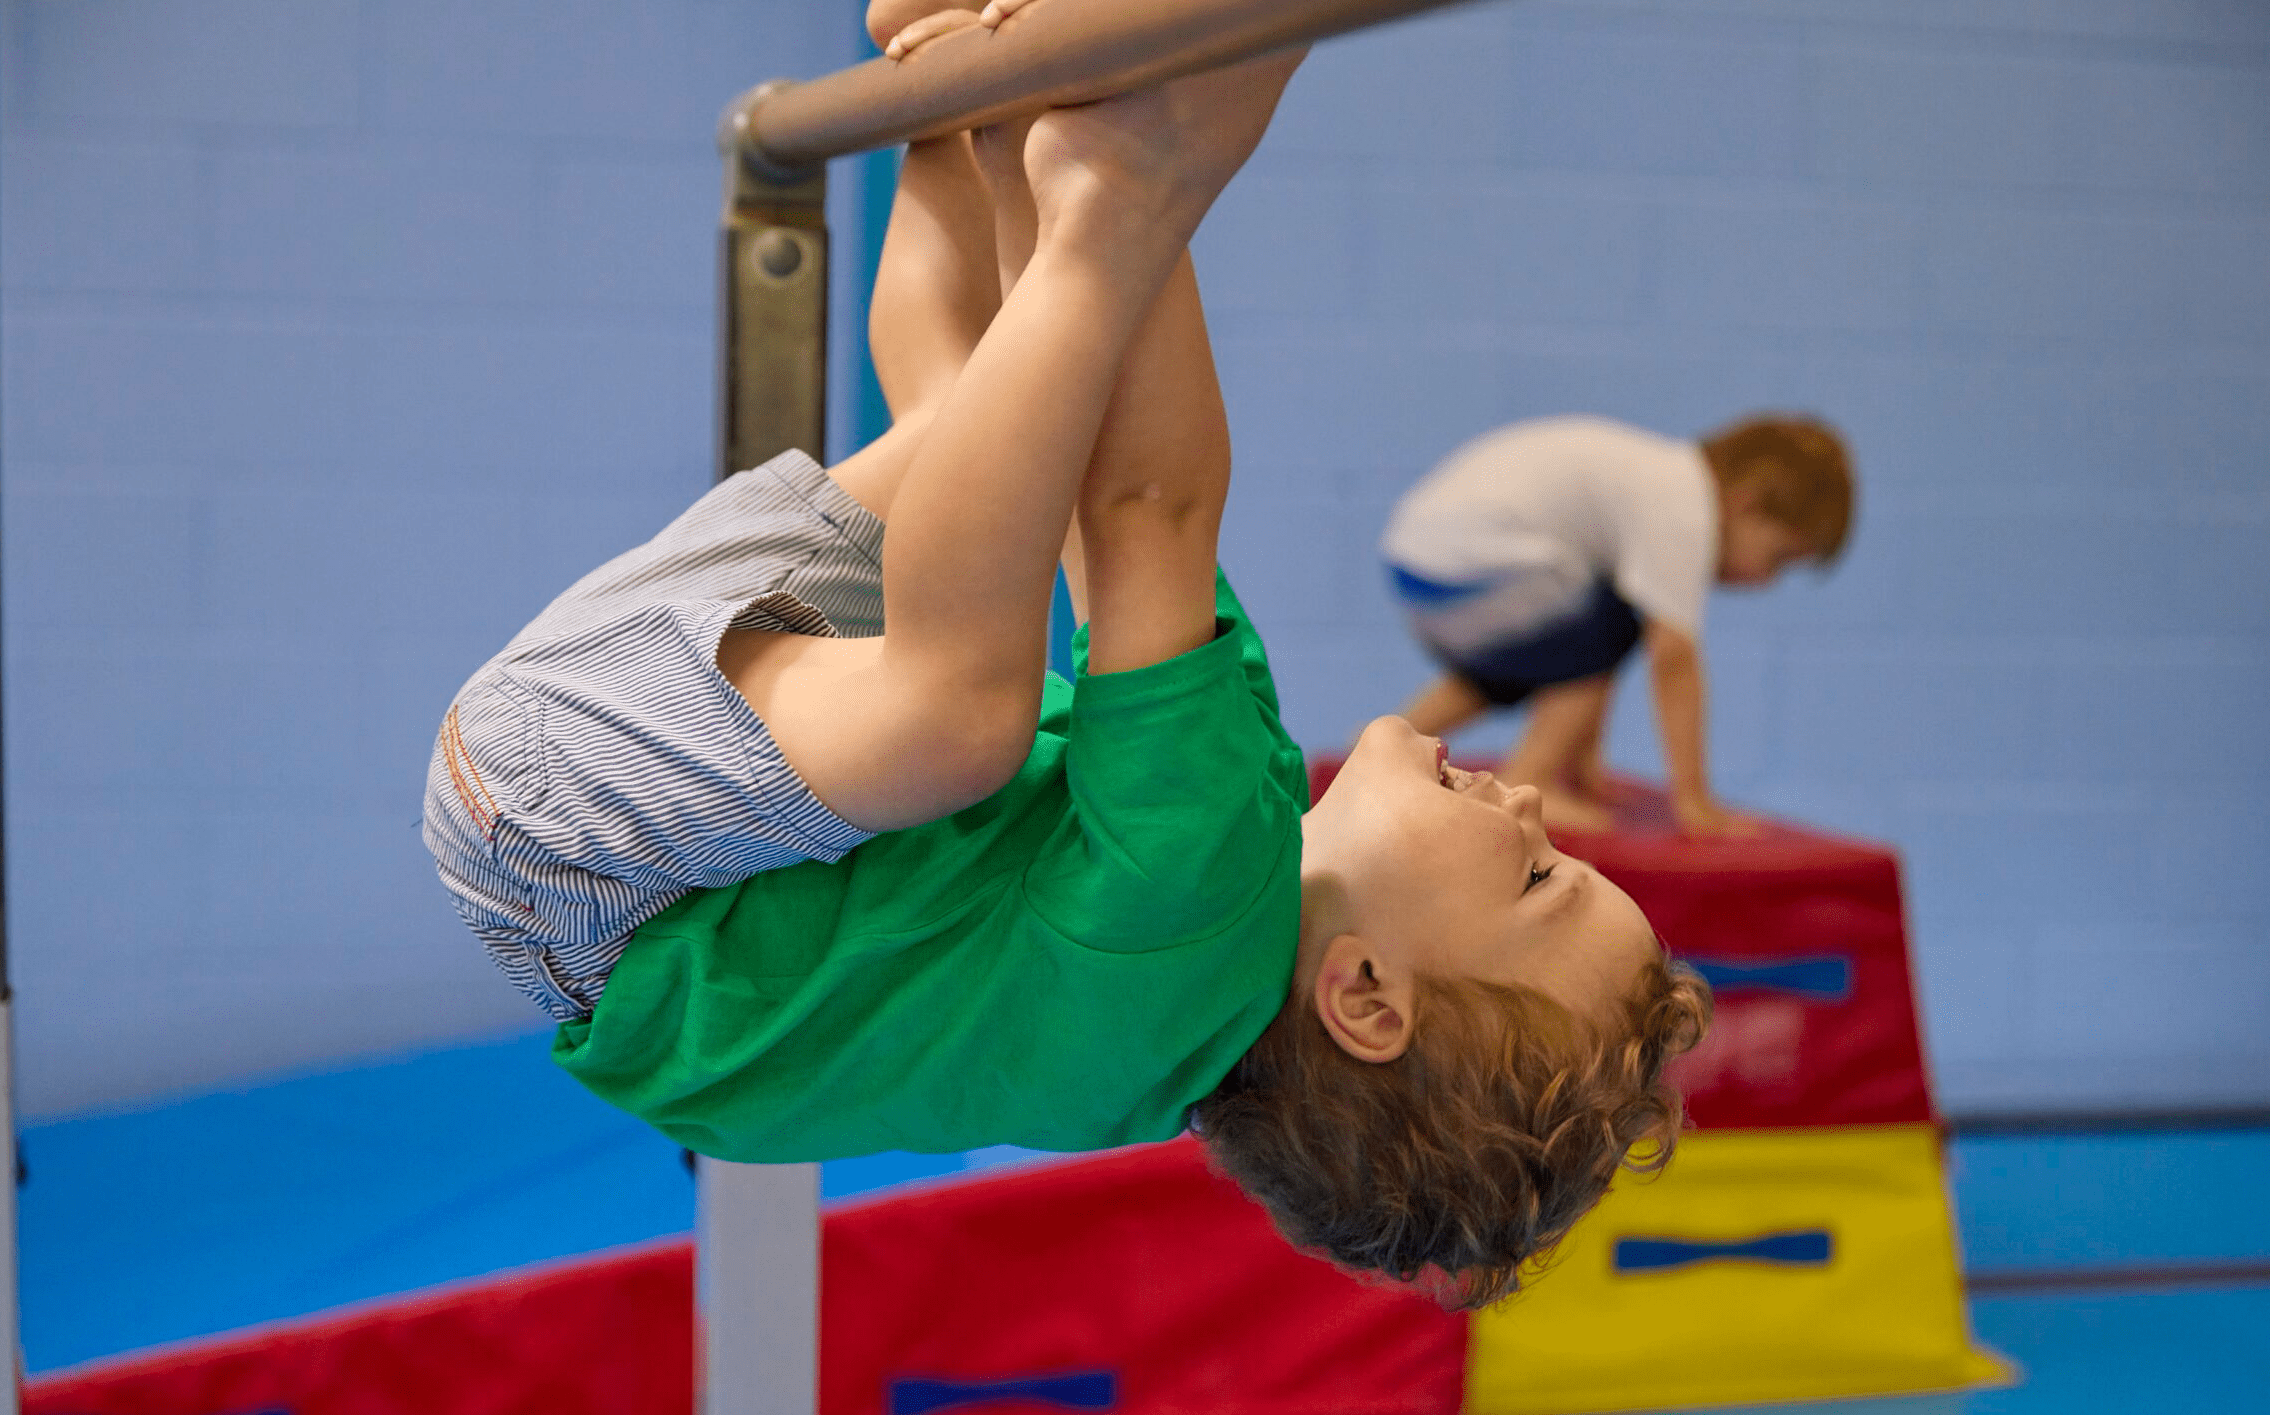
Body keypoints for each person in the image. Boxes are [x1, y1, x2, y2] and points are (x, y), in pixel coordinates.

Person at [425, 11, 1708, 1307]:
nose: (1536, 805)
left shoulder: (1201, 908)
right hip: (635, 858)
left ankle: (1068, 163)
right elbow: (1107, 486)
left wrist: (1135, 193)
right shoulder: (1164, 1036)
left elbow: (1148, 508)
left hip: (585, 848)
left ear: (1367, 995)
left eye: (1541, 876)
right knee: (979, 424)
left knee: (961, 713)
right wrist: (1021, 143)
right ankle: (952, 101)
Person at [1382, 413, 1855, 835]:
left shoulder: (1659, 476)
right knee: (1610, 627)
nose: (1766, 581)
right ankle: (1531, 776)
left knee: (1534, 657)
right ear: (1745, 505)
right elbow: (1673, 661)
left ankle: (1386, 743)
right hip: (1468, 561)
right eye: (1777, 559)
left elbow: (1573, 666)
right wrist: (1694, 800)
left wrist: (1588, 770)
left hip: (1420, 557)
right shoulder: (1685, 509)